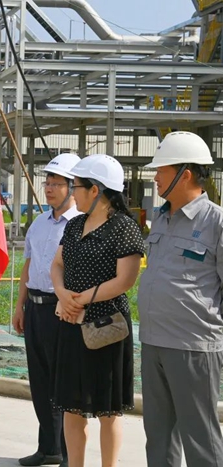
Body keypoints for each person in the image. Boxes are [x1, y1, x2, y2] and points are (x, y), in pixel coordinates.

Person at [50, 154, 145, 467]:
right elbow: (57, 264)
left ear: (96, 190)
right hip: (70, 322)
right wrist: (63, 294)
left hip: (106, 327)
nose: (72, 192)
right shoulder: (75, 225)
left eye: (76, 186)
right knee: (71, 406)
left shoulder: (124, 228)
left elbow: (125, 280)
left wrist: (80, 300)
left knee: (108, 408)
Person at [137, 131, 223, 467]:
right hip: (153, 342)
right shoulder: (161, 217)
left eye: (161, 170)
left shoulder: (216, 222)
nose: (155, 177)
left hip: (193, 347)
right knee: (158, 435)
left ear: (185, 175)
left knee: (200, 436)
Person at [13, 153, 81, 467]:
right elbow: (28, 266)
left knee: (64, 384)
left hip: (63, 311)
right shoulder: (39, 224)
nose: (49, 188)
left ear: (73, 186)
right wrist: (20, 305)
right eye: (47, 182)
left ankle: (69, 454)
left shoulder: (80, 225)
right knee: (40, 382)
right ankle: (48, 447)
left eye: (57, 183)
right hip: (36, 309)